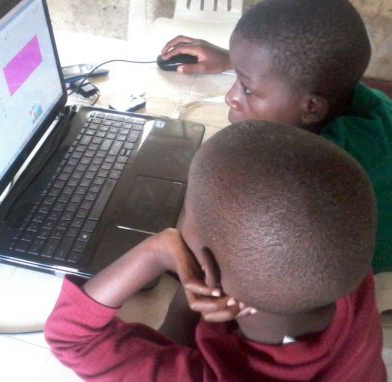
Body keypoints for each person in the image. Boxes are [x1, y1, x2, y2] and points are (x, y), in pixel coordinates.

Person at [45, 120, 385, 381]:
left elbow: (70, 337)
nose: (180, 220)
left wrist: (157, 249)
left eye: (187, 211)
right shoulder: (346, 273)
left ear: (209, 271)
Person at [160, 0, 392, 274]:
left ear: (312, 108)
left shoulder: (315, 174)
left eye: (246, 89)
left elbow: (213, 245)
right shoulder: (359, 99)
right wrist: (238, 61)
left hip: (354, 281)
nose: (230, 97)